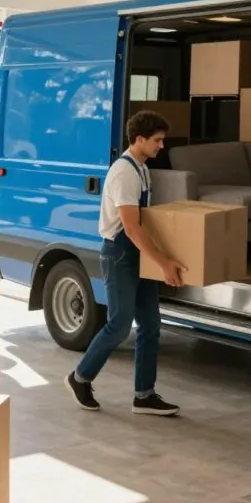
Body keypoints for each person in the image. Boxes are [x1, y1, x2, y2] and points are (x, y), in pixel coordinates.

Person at [64, 110, 185, 416]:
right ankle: (80, 377)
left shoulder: (142, 169)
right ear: (140, 139)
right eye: (157, 140)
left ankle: (144, 395)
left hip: (137, 252)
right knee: (119, 324)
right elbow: (130, 227)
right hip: (120, 254)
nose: (161, 146)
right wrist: (164, 263)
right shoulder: (125, 173)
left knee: (151, 325)